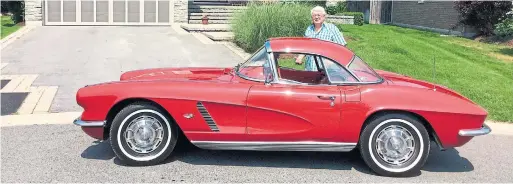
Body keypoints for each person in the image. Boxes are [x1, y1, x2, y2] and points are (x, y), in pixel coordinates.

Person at [295, 6, 347, 71]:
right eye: (314, 15)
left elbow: (342, 47)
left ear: (324, 16)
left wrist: (331, 62)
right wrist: (300, 57)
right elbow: (306, 46)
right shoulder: (309, 29)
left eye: (318, 15)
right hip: (310, 68)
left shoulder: (331, 28)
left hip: (327, 70)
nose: (316, 17)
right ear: (312, 17)